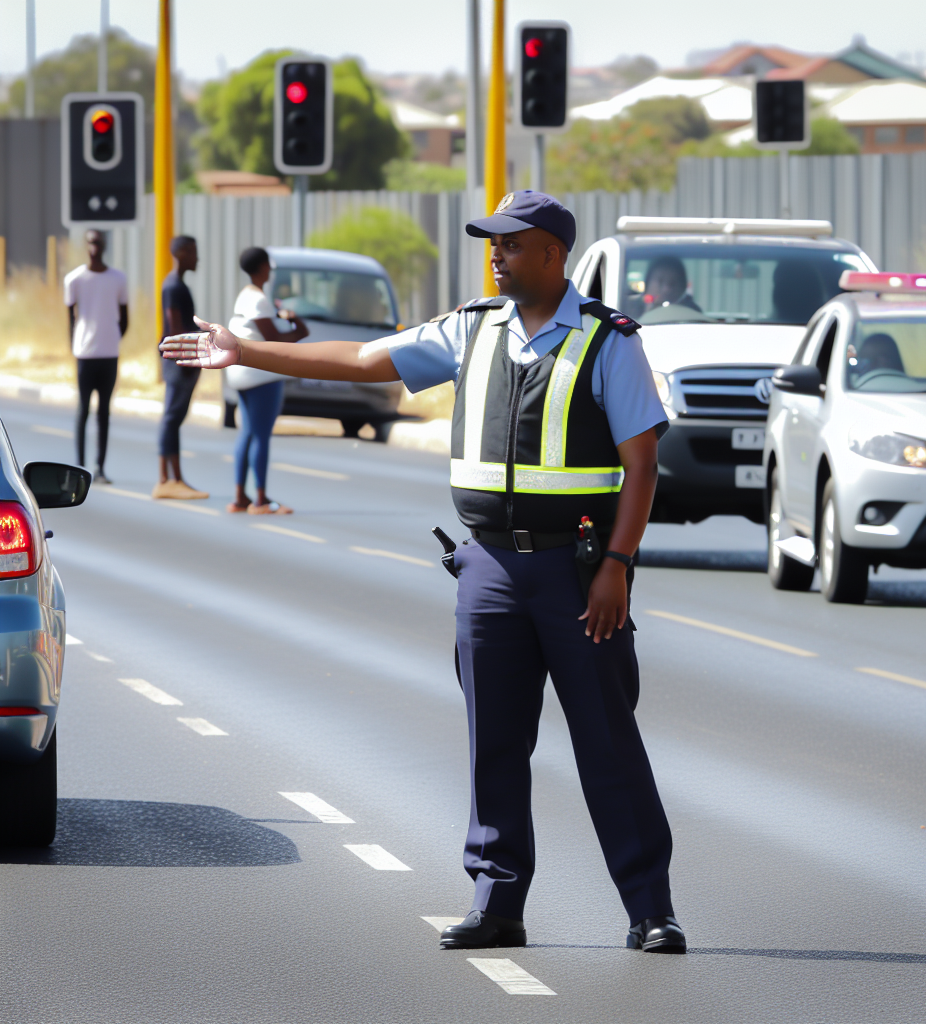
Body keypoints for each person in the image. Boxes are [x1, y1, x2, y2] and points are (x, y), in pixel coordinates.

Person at [162, 190, 686, 955]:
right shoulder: (470, 330)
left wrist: (617, 565)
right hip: (489, 570)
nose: (496, 257)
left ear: (551, 251)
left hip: (578, 576)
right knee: (494, 744)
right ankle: (497, 902)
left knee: (606, 743)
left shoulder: (610, 344)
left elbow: (643, 466)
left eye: (509, 245)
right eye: (491, 245)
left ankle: (650, 909)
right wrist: (246, 353)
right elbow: (363, 359)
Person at [226, 247, 308, 514]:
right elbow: (275, 340)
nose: (271, 271)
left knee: (247, 433)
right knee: (261, 435)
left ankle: (240, 497)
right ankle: (261, 500)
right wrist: (298, 328)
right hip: (261, 374)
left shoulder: (245, 295)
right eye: (269, 266)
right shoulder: (260, 299)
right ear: (262, 267)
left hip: (240, 371)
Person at [64, 229, 128, 484]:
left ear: (104, 246)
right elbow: (70, 317)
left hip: (109, 353)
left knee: (104, 411)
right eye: (91, 242)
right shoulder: (75, 279)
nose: (95, 247)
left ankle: (99, 468)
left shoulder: (117, 278)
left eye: (99, 243)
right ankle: (77, 469)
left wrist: (111, 337)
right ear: (86, 245)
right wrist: (76, 343)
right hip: (85, 354)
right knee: (83, 409)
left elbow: (125, 318)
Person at [154, 235, 208, 500]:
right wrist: (186, 358)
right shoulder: (173, 286)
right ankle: (167, 479)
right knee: (171, 417)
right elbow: (174, 326)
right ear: (182, 253)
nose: (197, 257)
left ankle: (174, 477)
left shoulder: (176, 284)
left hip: (181, 359)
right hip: (179, 360)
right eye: (194, 252)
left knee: (174, 417)